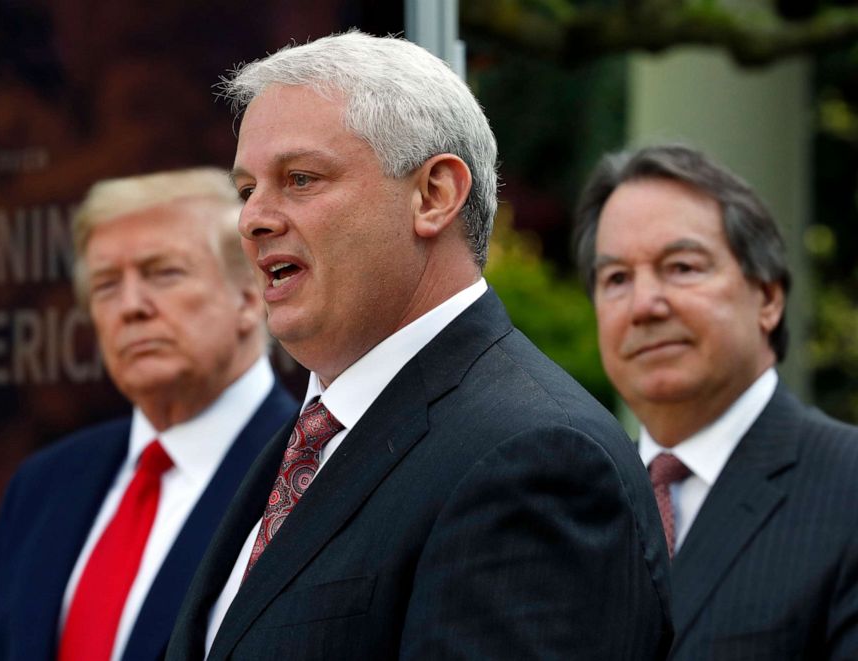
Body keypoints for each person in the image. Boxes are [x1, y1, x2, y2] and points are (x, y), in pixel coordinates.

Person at [166, 31, 672, 660]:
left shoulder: (536, 456)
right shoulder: (310, 439)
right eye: (246, 191)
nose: (252, 219)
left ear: (433, 195)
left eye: (299, 178)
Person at [0, 168, 298, 661]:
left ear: (250, 297)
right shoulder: (44, 483)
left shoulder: (308, 465)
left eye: (163, 273)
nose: (131, 306)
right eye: (105, 286)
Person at [574, 144, 858, 660]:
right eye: (616, 279)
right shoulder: (576, 506)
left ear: (768, 298)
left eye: (681, 267)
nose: (644, 306)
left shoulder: (848, 487)